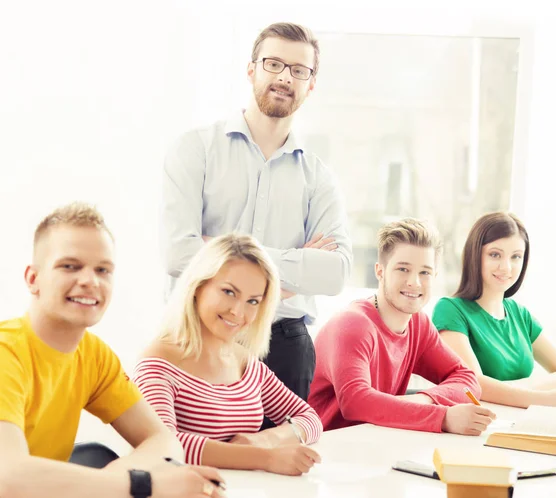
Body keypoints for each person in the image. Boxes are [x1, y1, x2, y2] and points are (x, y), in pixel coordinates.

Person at [161, 22, 352, 406]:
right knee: (196, 460)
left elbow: (335, 273)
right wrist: (292, 272)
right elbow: (178, 254)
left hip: (285, 348)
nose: (285, 77)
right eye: (274, 64)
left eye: (299, 70)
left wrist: (222, 255)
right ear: (252, 70)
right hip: (199, 338)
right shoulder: (195, 149)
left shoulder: (319, 178)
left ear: (311, 84)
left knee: (283, 458)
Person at [0, 202, 223, 498]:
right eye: (70, 266)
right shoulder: (7, 353)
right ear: (33, 278)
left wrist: (107, 485)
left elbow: (163, 440)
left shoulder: (94, 355)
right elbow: (9, 478)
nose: (90, 281)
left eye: (103, 270)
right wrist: (143, 486)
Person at [133, 233, 323, 476]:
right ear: (198, 285)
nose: (238, 311)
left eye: (253, 301)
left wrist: (266, 439)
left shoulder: (246, 364)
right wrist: (264, 458)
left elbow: (309, 418)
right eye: (229, 292)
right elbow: (164, 446)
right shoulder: (158, 363)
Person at [308, 219, 495, 435]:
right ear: (380, 272)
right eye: (403, 269)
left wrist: (424, 399)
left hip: (380, 439)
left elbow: (466, 378)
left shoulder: (418, 323)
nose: (414, 282)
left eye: (424, 272)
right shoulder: (352, 325)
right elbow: (355, 402)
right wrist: (443, 417)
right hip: (329, 449)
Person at [432, 212, 556, 409]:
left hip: (521, 422)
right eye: (495, 254)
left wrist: (522, 389)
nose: (506, 267)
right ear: (474, 255)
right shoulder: (450, 310)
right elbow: (474, 384)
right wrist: (541, 397)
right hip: (480, 425)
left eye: (516, 257)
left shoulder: (520, 314)